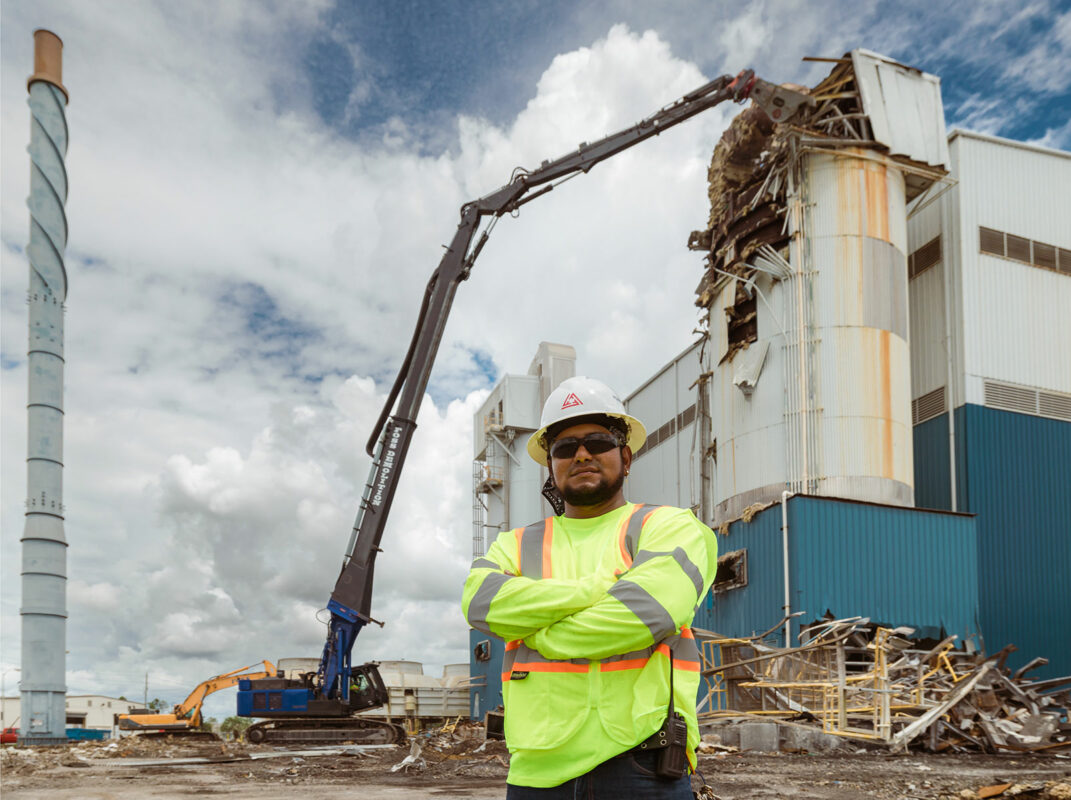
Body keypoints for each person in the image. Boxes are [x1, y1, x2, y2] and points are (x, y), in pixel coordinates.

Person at [462, 376, 718, 798]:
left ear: (627, 457)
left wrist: (535, 630)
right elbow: (479, 604)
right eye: (564, 447)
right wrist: (598, 588)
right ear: (551, 465)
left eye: (598, 442)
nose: (581, 454)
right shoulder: (515, 543)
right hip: (535, 772)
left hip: (642, 765)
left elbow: (644, 614)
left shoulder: (668, 526)